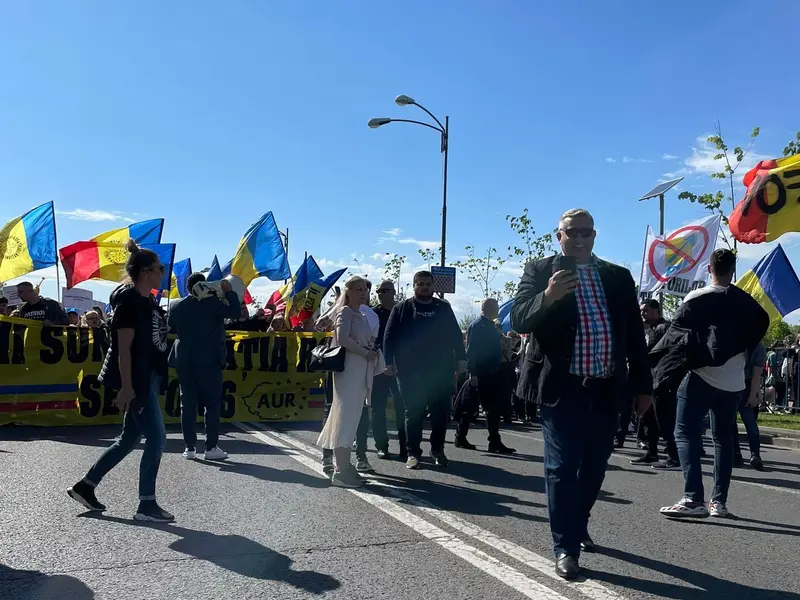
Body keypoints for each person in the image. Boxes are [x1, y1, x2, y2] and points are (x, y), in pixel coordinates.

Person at [511, 208, 652, 580]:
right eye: (571, 232)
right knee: (561, 469)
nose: (578, 239)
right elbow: (520, 320)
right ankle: (565, 549)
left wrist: (643, 385)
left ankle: (578, 523)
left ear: (595, 235)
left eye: (585, 233)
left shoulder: (617, 277)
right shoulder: (540, 271)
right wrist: (549, 295)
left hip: (607, 387)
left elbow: (634, 337)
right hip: (562, 388)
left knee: (594, 467)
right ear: (558, 235)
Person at [657, 249, 769, 520]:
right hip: (733, 382)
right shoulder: (748, 303)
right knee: (724, 439)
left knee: (684, 432)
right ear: (734, 270)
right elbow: (756, 336)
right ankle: (719, 503)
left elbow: (678, 338)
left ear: (709, 269)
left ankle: (693, 497)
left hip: (703, 376)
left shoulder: (697, 297)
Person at [67, 239, 173, 522]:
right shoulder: (128, 303)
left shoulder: (145, 300)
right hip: (136, 380)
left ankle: (85, 486)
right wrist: (127, 387)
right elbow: (123, 348)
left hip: (146, 377)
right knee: (157, 438)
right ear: (147, 271)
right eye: (160, 268)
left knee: (128, 439)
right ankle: (146, 505)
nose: (163, 273)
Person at [384, 271, 466, 470]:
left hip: (440, 371)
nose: (425, 287)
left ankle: (437, 450)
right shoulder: (402, 308)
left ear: (433, 286)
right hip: (409, 371)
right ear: (413, 286)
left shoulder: (443, 308)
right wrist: (388, 362)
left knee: (440, 414)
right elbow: (389, 336)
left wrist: (462, 359)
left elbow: (456, 334)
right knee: (413, 413)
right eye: (420, 283)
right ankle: (413, 453)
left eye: (428, 283)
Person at [317, 276, 384, 487]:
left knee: (352, 418)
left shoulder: (360, 313)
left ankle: (345, 466)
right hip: (349, 370)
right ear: (348, 291)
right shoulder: (345, 311)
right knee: (344, 418)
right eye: (358, 289)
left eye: (365, 289)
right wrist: (365, 352)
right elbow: (342, 338)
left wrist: (370, 352)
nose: (363, 293)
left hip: (360, 370)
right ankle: (341, 470)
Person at [168, 272, 241, 461]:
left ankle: (189, 448)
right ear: (205, 285)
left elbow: (171, 324)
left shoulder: (175, 304)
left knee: (188, 404)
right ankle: (211, 447)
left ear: (187, 288)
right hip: (209, 361)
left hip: (184, 360)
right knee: (212, 405)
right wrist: (229, 293)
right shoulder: (212, 304)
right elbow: (235, 312)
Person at [458, 298, 516, 453]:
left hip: (492, 372)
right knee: (471, 406)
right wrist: (473, 373)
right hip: (481, 372)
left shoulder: (492, 325)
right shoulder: (477, 325)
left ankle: (493, 441)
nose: (498, 309)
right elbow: (471, 351)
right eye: (496, 306)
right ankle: (461, 436)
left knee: (491, 408)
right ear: (489, 307)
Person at [369, 280, 407, 461]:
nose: (381, 293)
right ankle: (381, 446)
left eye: (385, 290)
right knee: (378, 408)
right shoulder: (373, 314)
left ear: (394, 292)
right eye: (379, 290)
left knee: (403, 408)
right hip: (379, 367)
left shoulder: (402, 312)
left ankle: (405, 447)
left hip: (400, 367)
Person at [734, 342, 765, 471]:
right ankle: (755, 454)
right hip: (747, 386)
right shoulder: (758, 346)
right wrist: (754, 393)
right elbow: (756, 374)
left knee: (731, 423)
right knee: (750, 423)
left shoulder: (737, 342)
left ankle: (735, 455)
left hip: (733, 384)